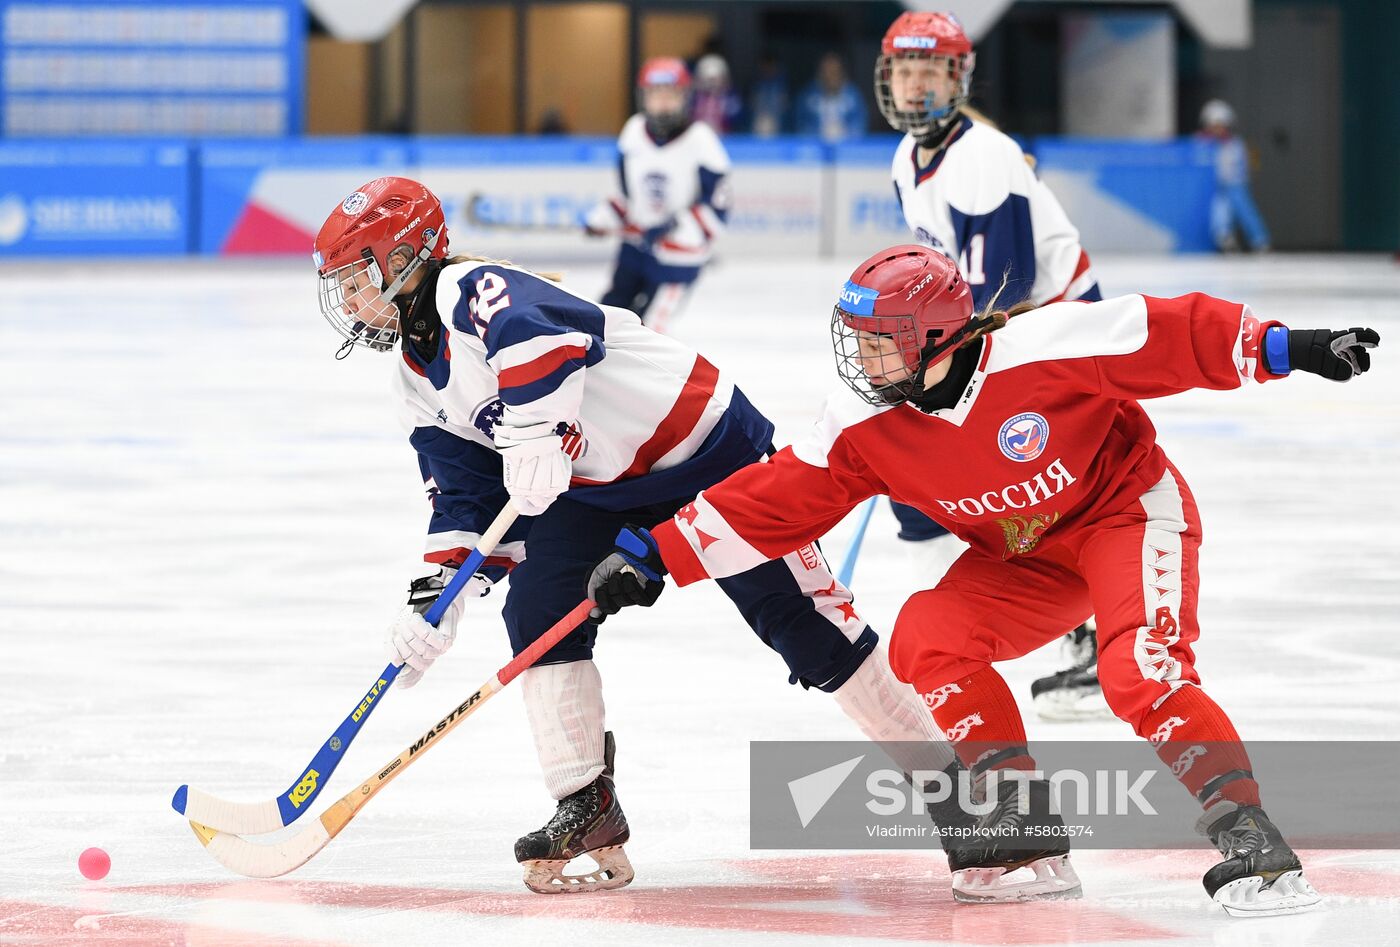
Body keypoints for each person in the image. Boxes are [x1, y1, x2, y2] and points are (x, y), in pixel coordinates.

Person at [587, 244, 1378, 912]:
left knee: (1140, 669)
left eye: (880, 342)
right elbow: (779, 496)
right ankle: (1022, 817)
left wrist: (1292, 346)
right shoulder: (865, 423)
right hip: (1027, 556)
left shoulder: (1048, 346)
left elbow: (1171, 334)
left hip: (1126, 514)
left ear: (935, 337)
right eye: (856, 340)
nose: (862, 360)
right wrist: (659, 552)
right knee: (929, 634)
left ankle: (1250, 833)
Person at [312, 180, 965, 895]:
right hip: (595, 490)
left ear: (407, 258)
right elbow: (466, 493)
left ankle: (956, 792)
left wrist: (537, 428)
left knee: (803, 625)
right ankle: (583, 801)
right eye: (340, 287)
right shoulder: (413, 377)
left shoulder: (474, 288)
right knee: (537, 610)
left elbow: (548, 337)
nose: (347, 303)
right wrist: (440, 598)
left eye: (356, 280)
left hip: (708, 452)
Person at [874, 11, 1107, 720]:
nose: (916, 86)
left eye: (931, 72)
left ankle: (1081, 638)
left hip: (1055, 336)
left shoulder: (984, 157)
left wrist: (926, 369)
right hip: (1001, 336)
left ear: (957, 79)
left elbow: (1005, 286)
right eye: (904, 71)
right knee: (930, 479)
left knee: (1019, 488)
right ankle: (958, 635)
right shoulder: (905, 162)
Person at [582, 57, 729, 334]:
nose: (662, 103)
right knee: (606, 320)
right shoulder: (633, 132)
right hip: (635, 250)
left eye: (670, 95)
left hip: (677, 260)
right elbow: (627, 196)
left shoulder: (702, 142)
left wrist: (675, 228)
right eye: (654, 95)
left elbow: (717, 210)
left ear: (684, 97)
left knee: (650, 332)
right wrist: (603, 218)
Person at [1198, 99, 1271, 253]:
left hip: (1236, 185)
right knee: (1219, 212)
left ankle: (1260, 240)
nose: (1217, 130)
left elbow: (1253, 161)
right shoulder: (1206, 144)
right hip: (1217, 186)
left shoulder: (1238, 144)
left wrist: (1248, 175)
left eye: (1220, 126)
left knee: (1246, 212)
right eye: (1213, 127)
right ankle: (1225, 239)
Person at [796, 52, 867, 143]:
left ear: (842, 73)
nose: (830, 77)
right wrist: (820, 134)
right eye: (826, 72)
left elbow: (861, 126)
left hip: (847, 149)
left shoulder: (853, 96)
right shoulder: (808, 97)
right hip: (815, 150)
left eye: (834, 72)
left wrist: (845, 133)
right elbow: (800, 127)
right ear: (819, 74)